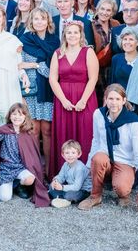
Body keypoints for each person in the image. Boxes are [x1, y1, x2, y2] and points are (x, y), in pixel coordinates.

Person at [78, 84, 138, 214]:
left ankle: (123, 194)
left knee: (122, 188)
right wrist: (88, 169)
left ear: (124, 101)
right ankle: (95, 196)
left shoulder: (133, 122)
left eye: (117, 99)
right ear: (105, 100)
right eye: (110, 99)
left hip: (125, 161)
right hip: (105, 157)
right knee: (98, 158)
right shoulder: (98, 114)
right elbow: (96, 141)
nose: (114, 103)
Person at [48, 21, 99, 177]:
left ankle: (87, 177)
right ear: (64, 35)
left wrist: (83, 100)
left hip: (85, 98)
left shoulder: (88, 52)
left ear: (81, 34)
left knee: (86, 134)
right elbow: (52, 79)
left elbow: (93, 78)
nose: (72, 35)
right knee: (64, 134)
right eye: (69, 32)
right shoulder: (58, 53)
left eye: (75, 32)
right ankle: (63, 176)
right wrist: (63, 100)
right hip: (63, 100)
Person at [0, 103, 49, 207]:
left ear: (25, 117)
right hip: (6, 168)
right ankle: (8, 183)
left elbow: (32, 155)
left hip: (21, 168)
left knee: (30, 179)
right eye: (14, 114)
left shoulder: (27, 133)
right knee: (4, 198)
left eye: (20, 115)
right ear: (10, 116)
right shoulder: (5, 130)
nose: (17, 117)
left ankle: (18, 185)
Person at [19, 8, 60, 176]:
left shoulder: (54, 41)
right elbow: (19, 64)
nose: (39, 22)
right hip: (32, 90)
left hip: (49, 88)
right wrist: (37, 65)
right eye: (36, 19)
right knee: (33, 129)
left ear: (48, 21)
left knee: (47, 130)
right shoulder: (24, 40)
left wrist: (35, 65)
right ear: (31, 21)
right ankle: (35, 170)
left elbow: (56, 67)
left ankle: (49, 171)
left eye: (42, 19)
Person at [111, 27, 138, 133]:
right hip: (118, 105)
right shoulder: (116, 59)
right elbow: (111, 83)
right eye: (125, 39)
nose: (127, 42)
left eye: (131, 39)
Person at [49, 140, 92, 208]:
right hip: (71, 186)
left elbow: (77, 187)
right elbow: (61, 176)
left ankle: (63, 198)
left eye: (73, 153)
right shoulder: (65, 164)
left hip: (83, 190)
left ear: (79, 154)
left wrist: (62, 187)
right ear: (63, 155)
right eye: (67, 153)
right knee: (51, 187)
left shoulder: (80, 168)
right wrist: (55, 181)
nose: (70, 155)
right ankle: (62, 198)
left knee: (69, 195)